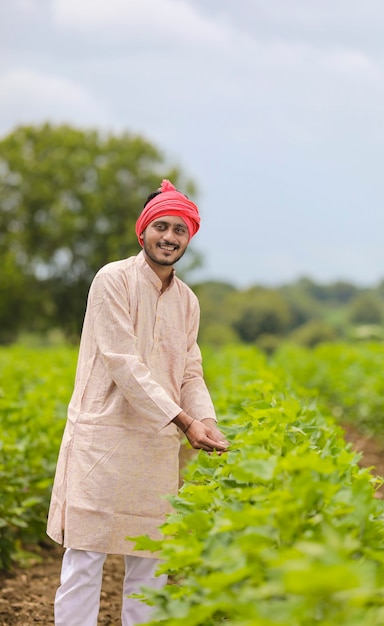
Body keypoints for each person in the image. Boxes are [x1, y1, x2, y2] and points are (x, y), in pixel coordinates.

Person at [47, 179, 229, 625]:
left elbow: (189, 369)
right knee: (85, 559)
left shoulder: (187, 301)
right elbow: (122, 362)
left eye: (179, 230)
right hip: (102, 438)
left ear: (189, 238)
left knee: (150, 562)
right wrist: (186, 422)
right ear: (142, 231)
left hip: (155, 441)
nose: (169, 237)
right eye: (161, 227)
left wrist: (206, 419)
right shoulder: (113, 279)